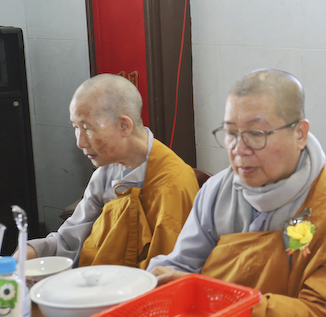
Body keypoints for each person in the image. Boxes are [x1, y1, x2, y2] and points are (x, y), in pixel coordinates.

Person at [148, 69, 326, 317]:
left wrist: (213, 299)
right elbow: (180, 268)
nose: (239, 149)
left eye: (256, 134)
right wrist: (159, 280)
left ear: (299, 134)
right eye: (230, 133)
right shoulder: (217, 191)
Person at [22, 74, 199, 269]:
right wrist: (32, 251)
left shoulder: (174, 184)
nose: (80, 142)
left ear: (124, 126)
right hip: (98, 278)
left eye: (87, 128)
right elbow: (69, 241)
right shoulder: (106, 172)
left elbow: (169, 271)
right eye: (76, 127)